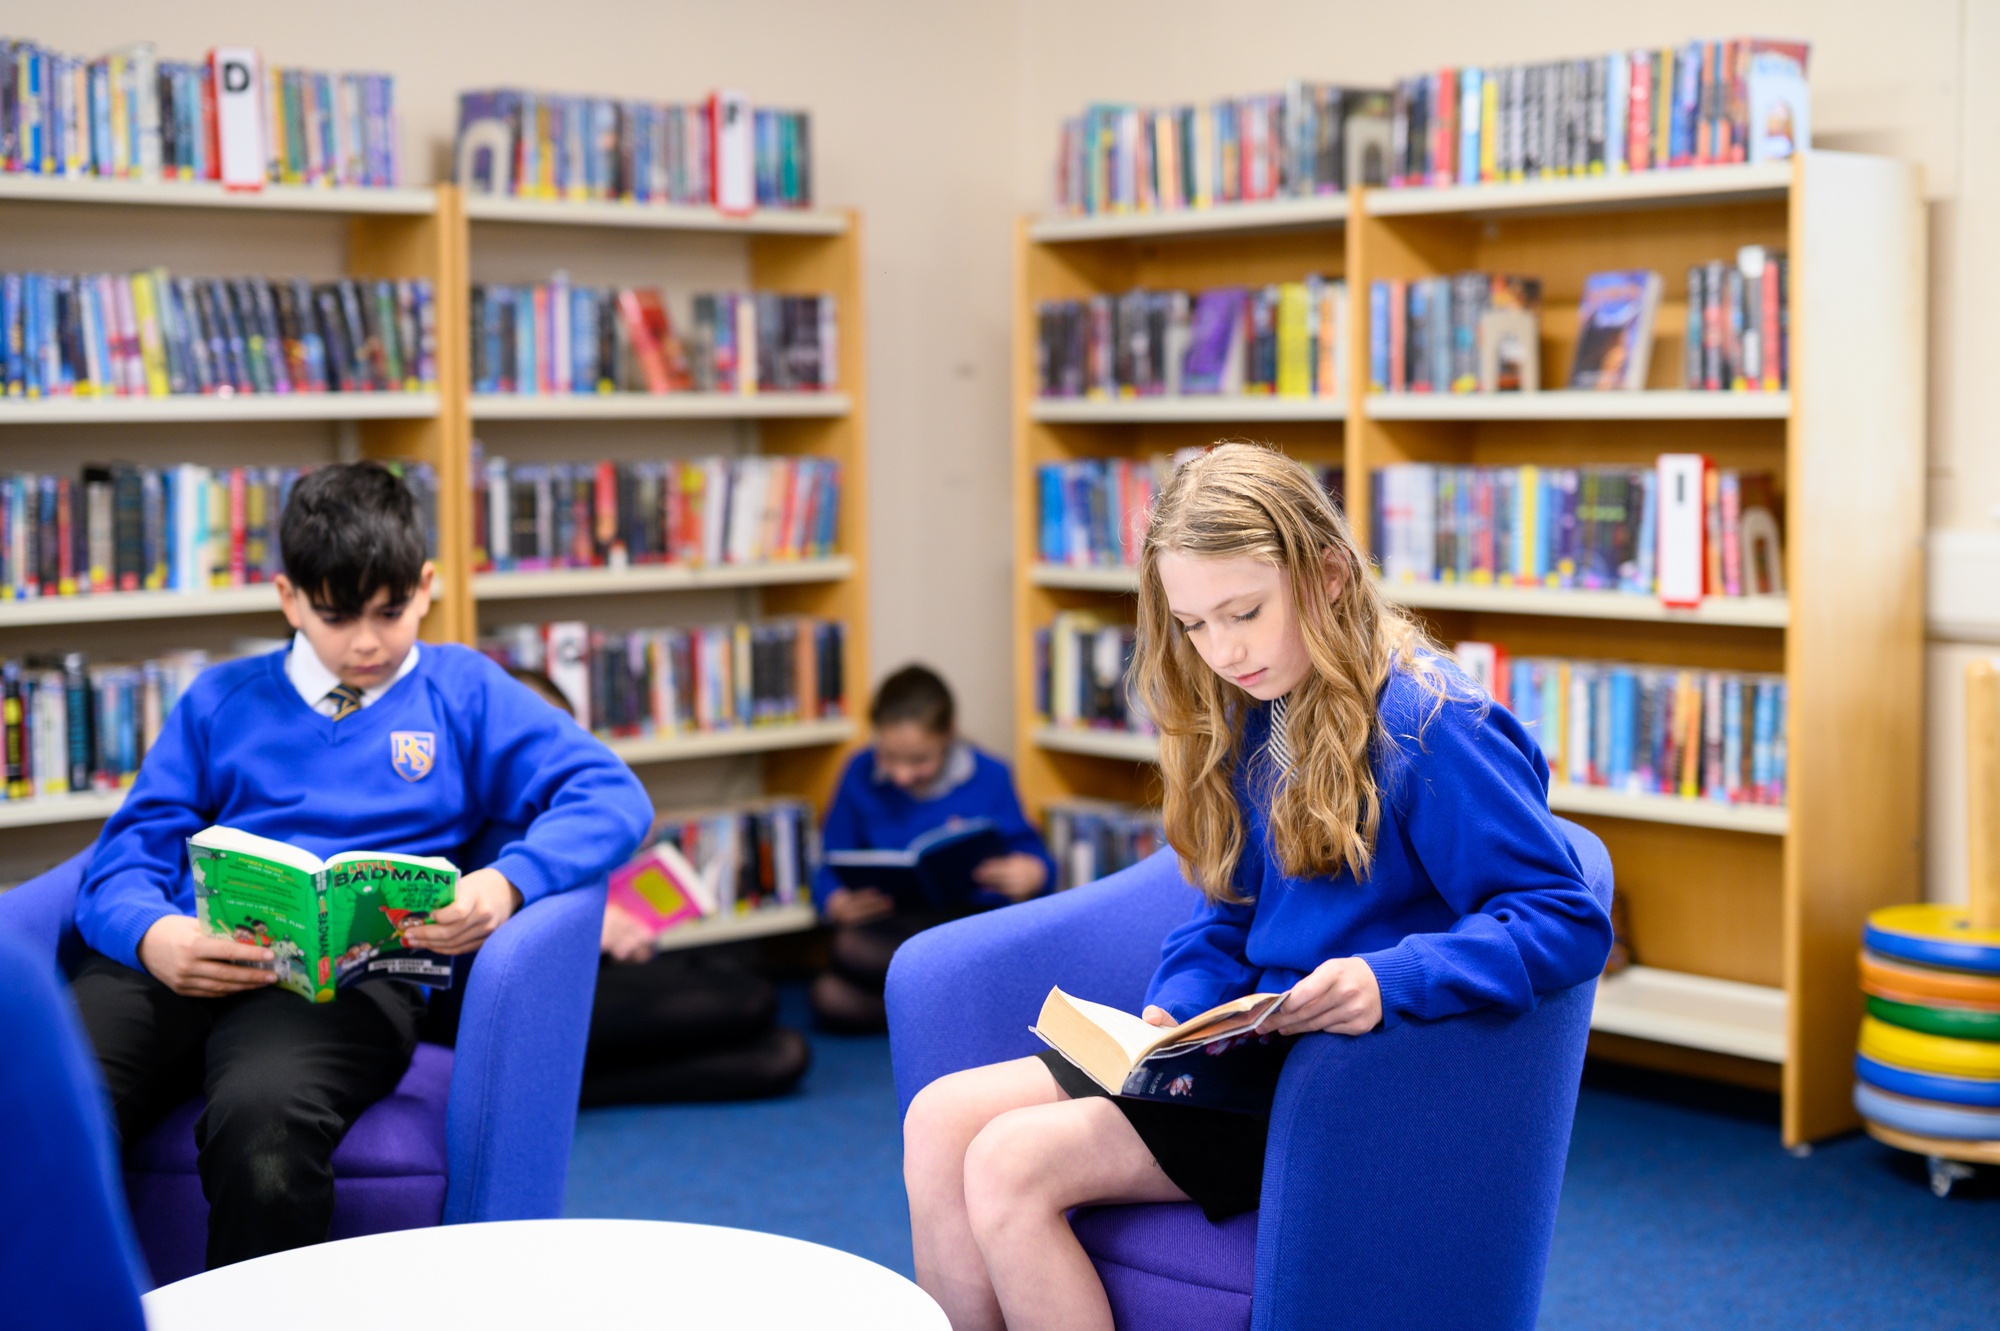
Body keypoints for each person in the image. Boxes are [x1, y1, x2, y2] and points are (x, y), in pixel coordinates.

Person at [901, 443, 1613, 1331]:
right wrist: (1171, 1012)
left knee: (1010, 1162)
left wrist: (1388, 977)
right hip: (1235, 1051)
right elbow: (1224, 915)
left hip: (1331, 1080)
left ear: (1329, 575)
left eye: (1244, 612)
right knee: (938, 1119)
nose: (1223, 650)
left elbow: (1565, 918)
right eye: (1194, 625)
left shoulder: (1432, 725)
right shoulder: (1259, 710)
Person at [68, 462, 653, 1270]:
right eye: (337, 616)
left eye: (391, 610)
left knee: (265, 1134)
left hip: (351, 979)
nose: (367, 641)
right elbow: (124, 855)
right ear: (289, 598)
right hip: (187, 951)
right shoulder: (218, 699)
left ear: (426, 587)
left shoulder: (464, 691)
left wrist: (506, 880)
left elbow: (612, 793)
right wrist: (152, 935)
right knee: (50, 1094)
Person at [503, 666, 812, 1105]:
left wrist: (628, 935)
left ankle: (572, 1091)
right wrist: (584, 933)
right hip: (536, 995)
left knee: (781, 1054)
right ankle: (559, 1088)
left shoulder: (575, 810)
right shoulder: (478, 818)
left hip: (603, 975)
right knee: (750, 999)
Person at [811, 664, 1055, 1032]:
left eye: (919, 760)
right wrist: (834, 901)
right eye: (889, 757)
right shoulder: (857, 772)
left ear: (949, 736)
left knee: (855, 969)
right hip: (894, 924)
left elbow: (1034, 854)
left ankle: (934, 1009)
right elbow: (829, 860)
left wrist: (1033, 873)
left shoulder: (991, 775)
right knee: (830, 992)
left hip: (968, 925)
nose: (902, 774)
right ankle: (954, 1010)